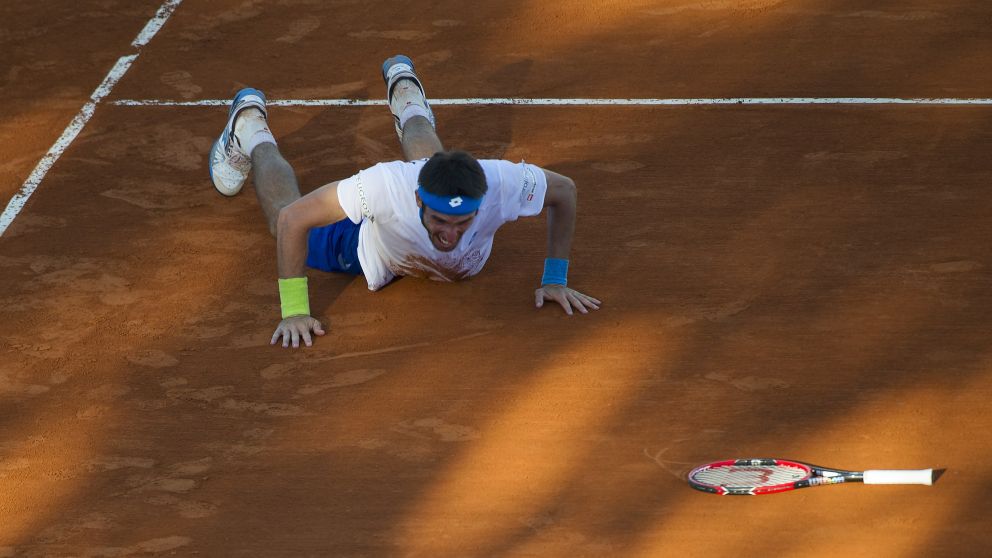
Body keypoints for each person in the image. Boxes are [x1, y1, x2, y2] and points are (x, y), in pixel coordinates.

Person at [209, 55, 600, 348]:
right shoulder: (385, 186)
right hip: (370, 248)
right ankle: (250, 130)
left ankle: (407, 97)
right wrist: (295, 310)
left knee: (433, 165)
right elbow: (294, 219)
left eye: (463, 222)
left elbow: (564, 191)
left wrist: (555, 279)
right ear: (417, 199)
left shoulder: (502, 182)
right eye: (440, 220)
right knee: (281, 219)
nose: (450, 234)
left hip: (420, 217)